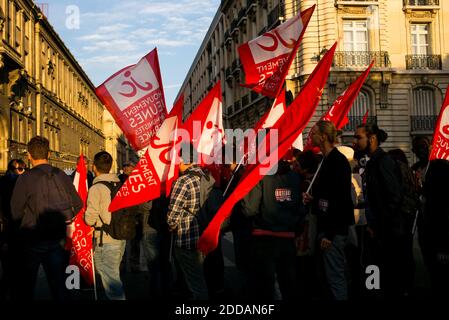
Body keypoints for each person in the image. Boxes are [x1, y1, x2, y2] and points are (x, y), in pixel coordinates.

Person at [10, 136, 82, 300]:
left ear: (29, 155)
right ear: (48, 154)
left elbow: (15, 212)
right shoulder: (61, 175)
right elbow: (78, 204)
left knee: (26, 287)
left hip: (32, 240)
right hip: (58, 240)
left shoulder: (25, 178)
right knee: (59, 287)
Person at [303, 121, 354, 300]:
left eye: (314, 133)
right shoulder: (325, 160)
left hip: (332, 232)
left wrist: (330, 234)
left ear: (323, 137)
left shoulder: (338, 161)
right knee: (326, 276)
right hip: (325, 227)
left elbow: (341, 200)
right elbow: (329, 195)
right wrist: (313, 199)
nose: (311, 136)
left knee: (335, 278)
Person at [242, 157, 304, 300]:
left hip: (265, 238)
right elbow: (299, 206)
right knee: (288, 284)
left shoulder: (260, 174)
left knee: (266, 286)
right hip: (288, 237)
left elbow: (249, 209)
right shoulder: (294, 176)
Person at [353, 124, 404, 298]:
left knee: (385, 278)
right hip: (377, 231)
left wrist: (378, 225)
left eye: (359, 137)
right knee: (373, 276)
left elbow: (394, 196)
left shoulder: (383, 161)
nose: (355, 141)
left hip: (386, 233)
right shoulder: (372, 161)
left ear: (372, 138)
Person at [166, 143, 209, 300]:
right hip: (204, 235)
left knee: (195, 283)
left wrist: (172, 226)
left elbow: (172, 214)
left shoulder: (183, 181)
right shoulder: (206, 177)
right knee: (199, 276)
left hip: (187, 238)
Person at [84, 151, 126, 300]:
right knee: (111, 275)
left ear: (94, 167)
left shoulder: (96, 188)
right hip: (121, 236)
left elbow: (90, 219)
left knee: (112, 284)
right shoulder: (120, 184)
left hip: (106, 239)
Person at [0, 159, 26, 299]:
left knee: (10, 269)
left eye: (24, 169)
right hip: (10, 229)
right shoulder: (12, 184)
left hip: (12, 230)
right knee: (13, 269)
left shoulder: (14, 182)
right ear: (13, 169)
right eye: (21, 169)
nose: (23, 172)